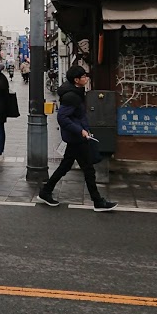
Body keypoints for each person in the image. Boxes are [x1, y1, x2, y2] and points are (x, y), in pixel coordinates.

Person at [37, 64, 117, 211]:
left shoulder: (76, 92)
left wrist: (84, 129)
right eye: (84, 77)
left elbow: (78, 115)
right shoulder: (71, 96)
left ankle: (45, 191)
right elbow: (62, 118)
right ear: (76, 80)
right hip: (76, 138)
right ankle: (98, 202)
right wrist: (80, 131)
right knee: (88, 170)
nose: (86, 78)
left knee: (66, 166)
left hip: (76, 137)